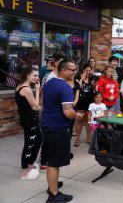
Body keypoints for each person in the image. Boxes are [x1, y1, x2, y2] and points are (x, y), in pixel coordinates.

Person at [41, 59, 84, 203]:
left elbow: (45, 102)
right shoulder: (65, 87)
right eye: (72, 70)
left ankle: (52, 186)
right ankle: (53, 195)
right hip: (58, 128)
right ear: (63, 70)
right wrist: (76, 115)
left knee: (51, 159)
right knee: (54, 162)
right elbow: (67, 112)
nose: (74, 72)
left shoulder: (49, 83)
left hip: (47, 126)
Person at [16, 66, 42, 180]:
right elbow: (35, 105)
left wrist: (37, 108)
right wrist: (37, 90)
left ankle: (30, 164)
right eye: (34, 76)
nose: (37, 78)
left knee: (38, 139)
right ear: (27, 75)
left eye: (37, 76)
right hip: (29, 120)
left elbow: (33, 106)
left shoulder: (21, 85)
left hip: (28, 119)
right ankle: (24, 171)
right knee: (29, 144)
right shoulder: (26, 88)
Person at [74, 64, 94, 146]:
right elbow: (77, 89)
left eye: (89, 70)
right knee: (79, 121)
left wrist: (93, 85)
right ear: (83, 70)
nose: (88, 72)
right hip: (80, 102)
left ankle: (89, 139)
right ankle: (77, 139)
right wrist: (81, 81)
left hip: (89, 102)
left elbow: (94, 90)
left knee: (88, 121)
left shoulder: (92, 79)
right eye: (86, 70)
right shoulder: (78, 78)